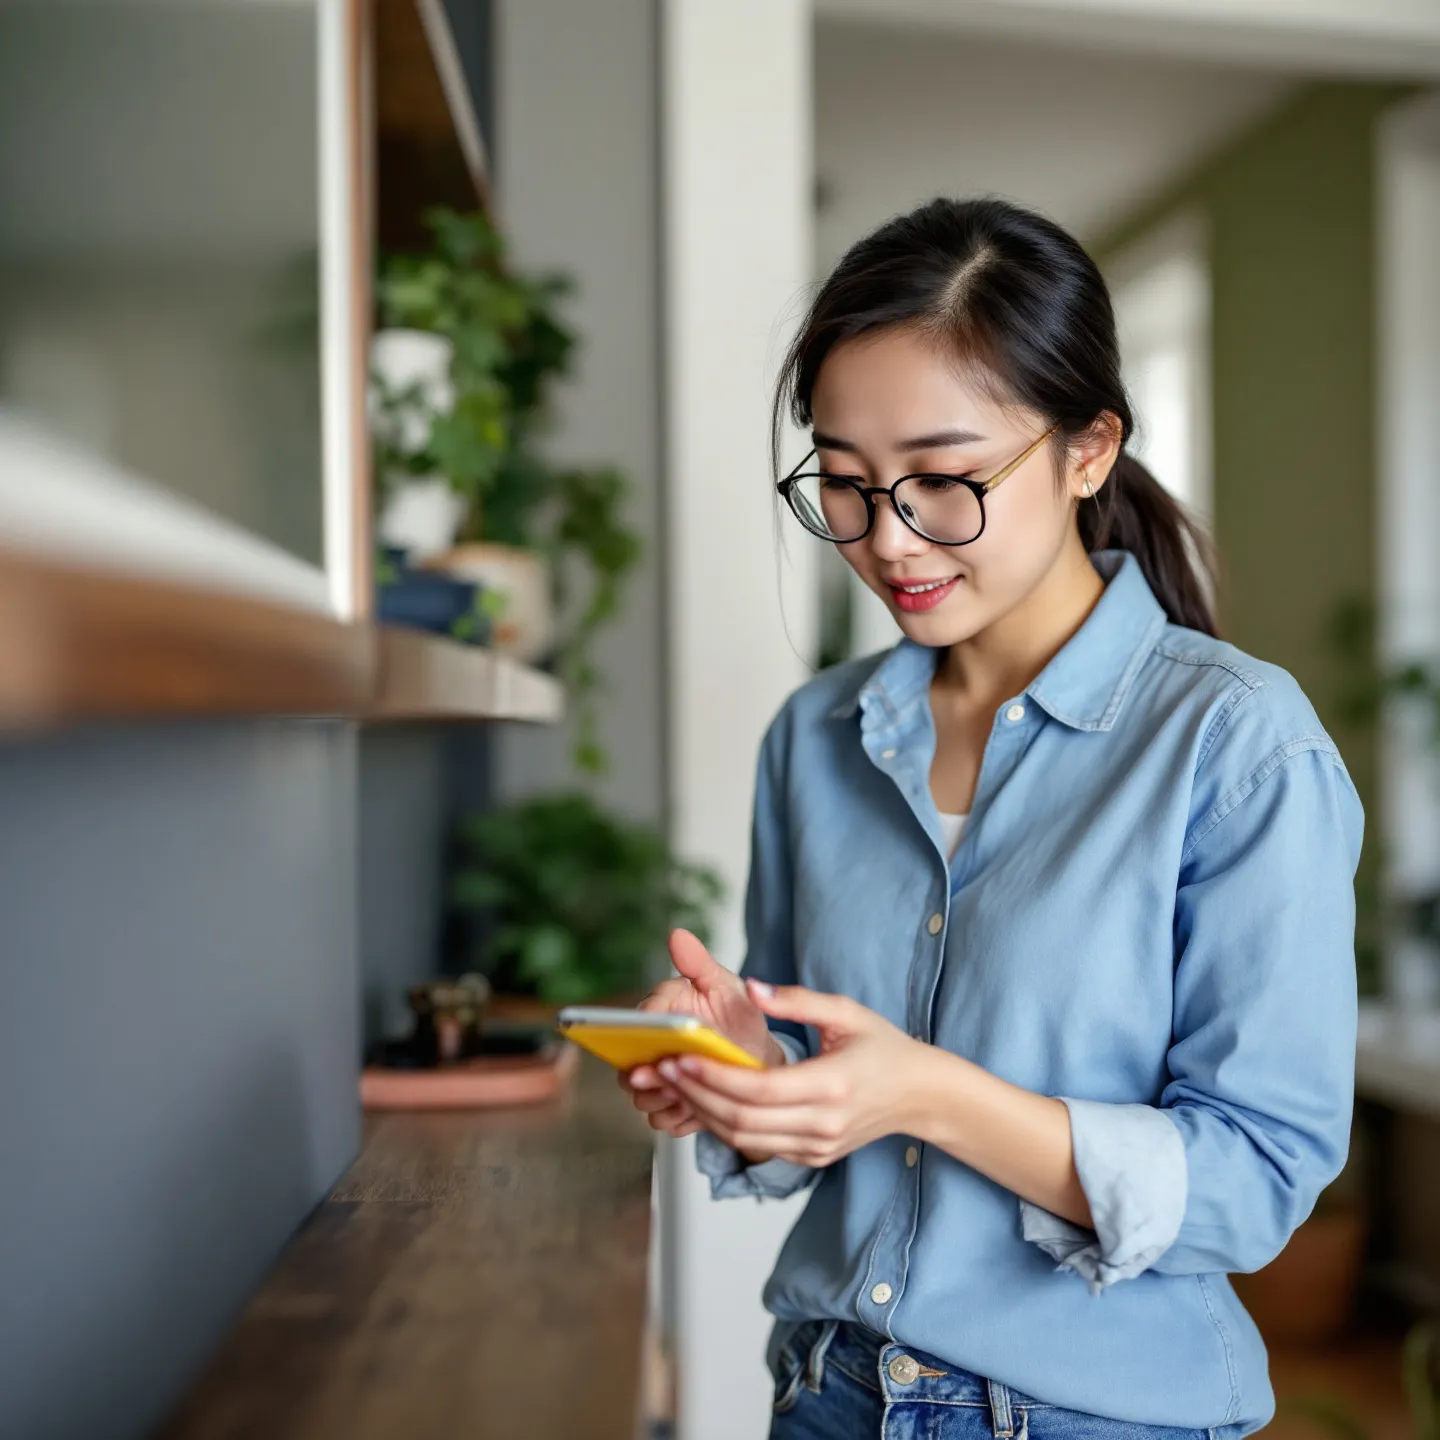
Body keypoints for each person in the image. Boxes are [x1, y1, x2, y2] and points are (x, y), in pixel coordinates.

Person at [623, 196, 1361, 1439]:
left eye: (946, 480)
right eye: (846, 486)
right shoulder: (815, 738)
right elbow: (831, 1084)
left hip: (1094, 1416)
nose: (888, 540)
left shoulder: (1235, 744)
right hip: (826, 1393)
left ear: (1088, 452)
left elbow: (1256, 1179)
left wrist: (926, 1095)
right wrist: (738, 1068)